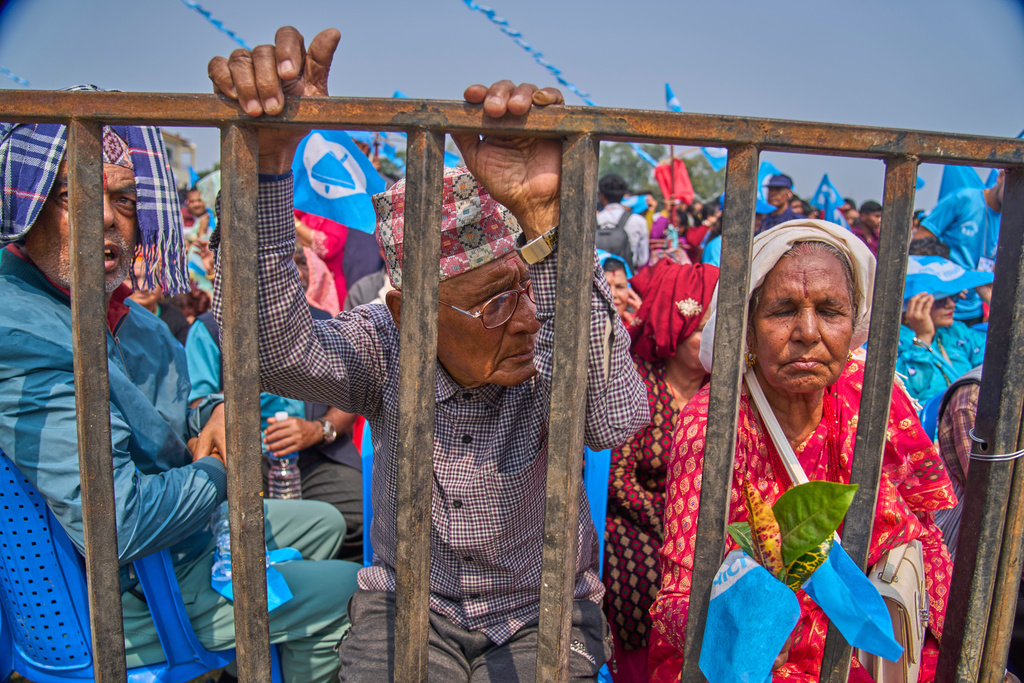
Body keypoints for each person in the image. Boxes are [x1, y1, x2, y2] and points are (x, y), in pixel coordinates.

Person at [206, 26, 649, 681]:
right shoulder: (386, 346)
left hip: (543, 615)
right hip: (406, 606)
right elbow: (265, 351)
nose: (528, 318)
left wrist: (549, 220)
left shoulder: (547, 329)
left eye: (529, 287)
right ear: (409, 314)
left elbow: (612, 419)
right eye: (496, 300)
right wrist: (265, 169)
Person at [0, 95, 360, 683]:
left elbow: (186, 406)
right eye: (74, 196)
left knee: (320, 523)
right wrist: (222, 470)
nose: (108, 219)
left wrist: (213, 410)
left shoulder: (130, 319)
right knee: (356, 589)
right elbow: (119, 523)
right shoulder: (19, 327)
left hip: (179, 537)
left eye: (124, 200)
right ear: (30, 205)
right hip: (134, 591)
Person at [649, 219, 957, 681]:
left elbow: (930, 526)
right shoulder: (713, 425)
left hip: (880, 649)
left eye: (831, 310)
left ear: (855, 323)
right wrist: (736, 632)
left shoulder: (873, 397)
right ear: (748, 330)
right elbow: (678, 593)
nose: (808, 332)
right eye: (783, 310)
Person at [185, 246, 363, 562]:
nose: (288, 272)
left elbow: (350, 397)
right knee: (251, 535)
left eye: (295, 262)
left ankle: (329, 585)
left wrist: (319, 428)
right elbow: (198, 405)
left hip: (314, 456)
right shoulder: (209, 331)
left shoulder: (320, 321)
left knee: (364, 513)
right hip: (243, 462)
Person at [603, 260, 718, 683]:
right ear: (678, 328)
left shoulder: (724, 393)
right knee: (642, 571)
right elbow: (619, 479)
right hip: (638, 520)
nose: (718, 343)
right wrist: (672, 528)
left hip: (707, 528)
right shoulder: (637, 383)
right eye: (706, 330)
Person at [896, 255, 991, 404]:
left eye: (954, 296)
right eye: (940, 299)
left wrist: (992, 300)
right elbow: (910, 388)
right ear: (910, 304)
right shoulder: (889, 340)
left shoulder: (954, 331)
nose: (951, 305)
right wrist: (923, 337)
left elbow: (998, 355)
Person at [918, 170, 1005, 324]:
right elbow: (920, 242)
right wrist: (952, 278)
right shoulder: (964, 199)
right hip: (939, 307)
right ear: (1001, 175)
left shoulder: (1014, 220)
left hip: (976, 309)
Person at [127, 256, 190, 345]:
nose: (142, 287)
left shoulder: (175, 318)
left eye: (151, 279)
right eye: (132, 279)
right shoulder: (112, 321)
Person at [598, 173, 650, 270]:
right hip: (627, 278)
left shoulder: (594, 220)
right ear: (623, 195)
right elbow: (642, 259)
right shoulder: (639, 221)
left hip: (596, 279)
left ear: (602, 196)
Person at [600, 253, 640, 326]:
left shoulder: (636, 324)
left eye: (620, 287)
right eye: (605, 286)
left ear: (630, 293)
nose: (613, 294)